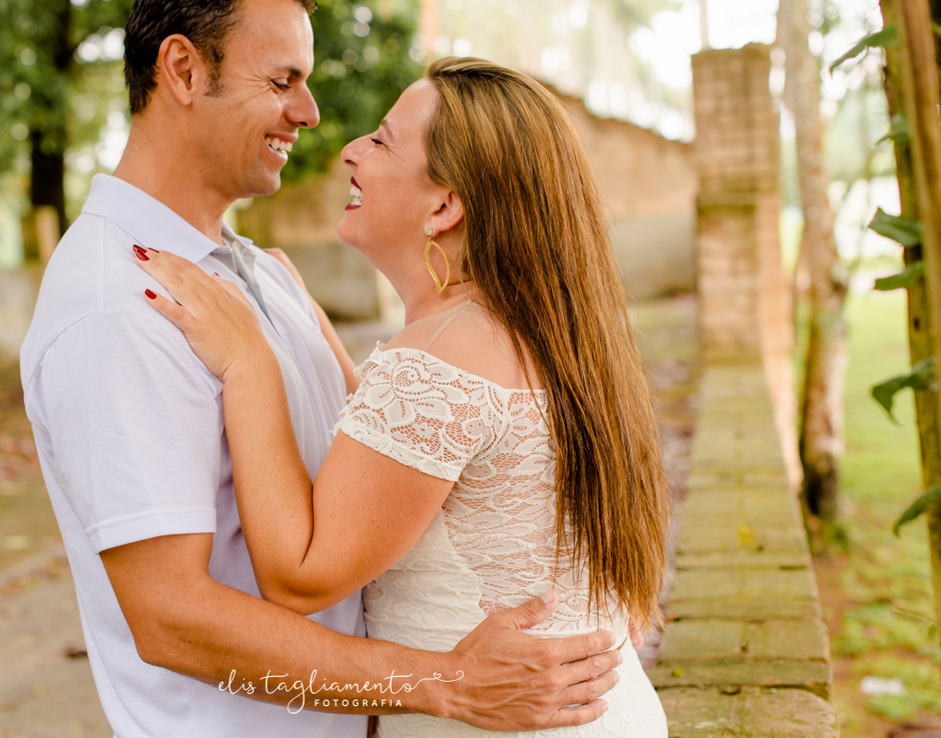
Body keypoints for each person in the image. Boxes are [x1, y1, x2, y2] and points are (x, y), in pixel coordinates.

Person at [19, 0, 624, 737]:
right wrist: (443, 683)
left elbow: (384, 467)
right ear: (183, 70)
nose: (310, 116)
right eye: (282, 82)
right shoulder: (118, 306)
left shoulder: (263, 277)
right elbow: (170, 616)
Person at [133, 56, 671, 737]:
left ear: (445, 205)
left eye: (382, 140)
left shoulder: (439, 356)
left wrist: (251, 362)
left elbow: (300, 574)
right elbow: (417, 468)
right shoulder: (540, 333)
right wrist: (311, 328)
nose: (352, 150)